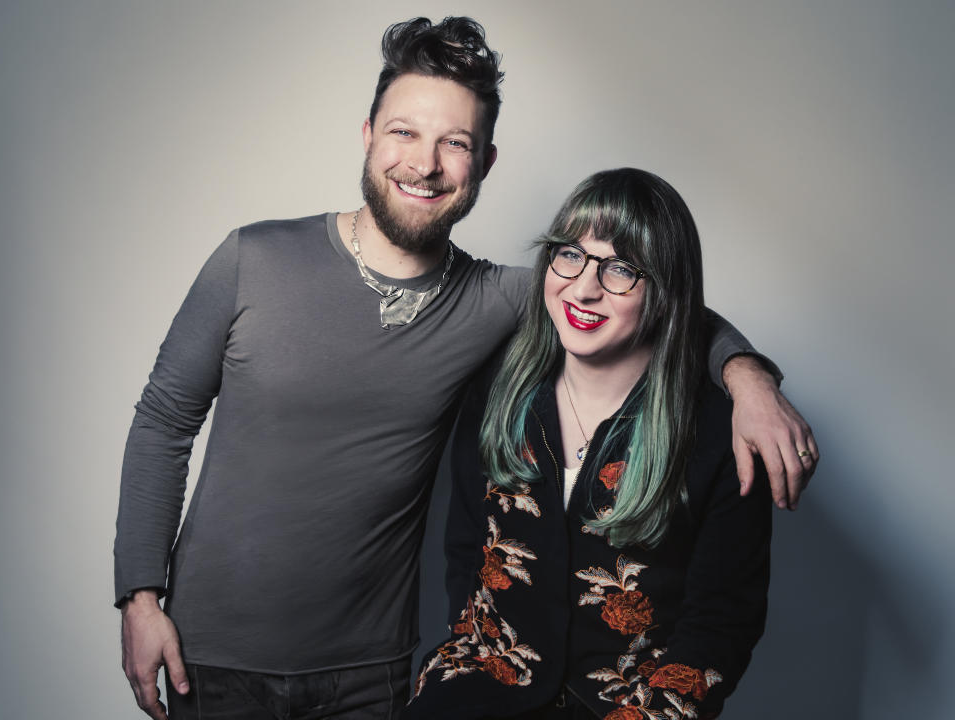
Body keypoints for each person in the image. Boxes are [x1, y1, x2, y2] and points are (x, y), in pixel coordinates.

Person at [115, 18, 816, 720]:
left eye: (455, 143)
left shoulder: (501, 297)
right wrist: (141, 600)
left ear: (484, 162)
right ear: (368, 134)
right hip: (210, 659)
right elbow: (163, 422)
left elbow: (658, 298)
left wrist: (747, 376)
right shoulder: (252, 260)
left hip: (371, 674)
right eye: (404, 133)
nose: (424, 164)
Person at [407, 168, 775, 719]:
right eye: (571, 255)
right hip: (481, 692)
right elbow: (466, 546)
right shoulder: (498, 389)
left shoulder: (723, 434)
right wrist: (460, 661)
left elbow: (722, 623)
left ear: (666, 291)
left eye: (622, 269)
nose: (584, 287)